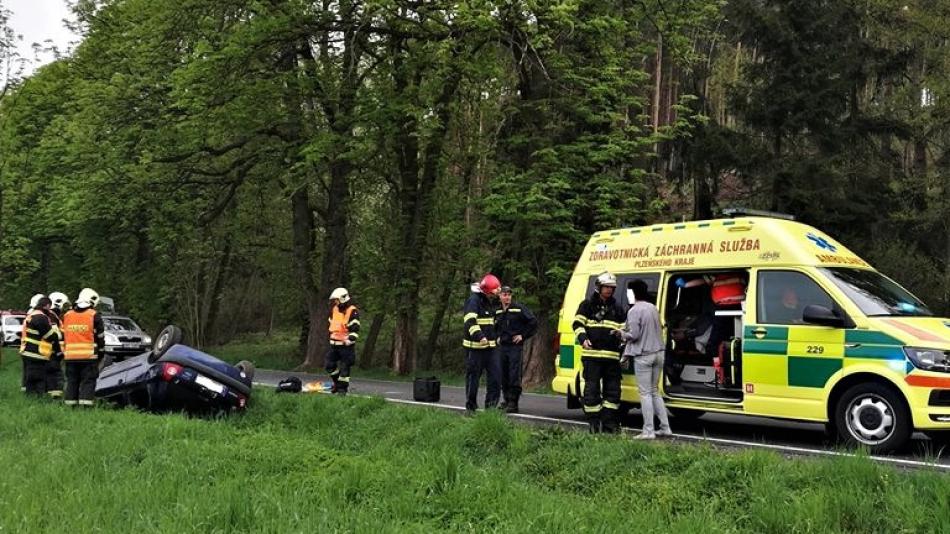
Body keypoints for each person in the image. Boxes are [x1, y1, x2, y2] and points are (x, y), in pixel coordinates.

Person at [572, 272, 626, 433]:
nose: (609, 290)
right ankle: (594, 424)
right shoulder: (587, 305)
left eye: (612, 287)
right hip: (592, 357)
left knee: (613, 392)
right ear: (599, 287)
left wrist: (621, 339)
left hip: (612, 357)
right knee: (591, 391)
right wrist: (583, 339)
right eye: (606, 287)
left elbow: (624, 329)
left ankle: (609, 424)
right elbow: (577, 324)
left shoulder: (617, 308)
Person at [622, 280, 672, 439]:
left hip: (644, 355)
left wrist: (620, 334)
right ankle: (665, 428)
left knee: (645, 394)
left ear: (633, 293)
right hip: (659, 353)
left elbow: (634, 335)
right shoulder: (653, 308)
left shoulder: (634, 311)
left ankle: (648, 430)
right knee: (655, 392)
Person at [675, 272, 746, 358]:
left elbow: (702, 281)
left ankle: (719, 365)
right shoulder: (737, 272)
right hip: (737, 306)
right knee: (725, 337)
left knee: (715, 343)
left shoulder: (718, 271)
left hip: (725, 307)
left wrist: (686, 285)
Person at [494, 286, 538, 414]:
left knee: (514, 374)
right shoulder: (497, 312)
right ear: (500, 296)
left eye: (509, 294)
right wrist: (496, 337)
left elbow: (533, 322)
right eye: (504, 294)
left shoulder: (518, 309)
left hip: (514, 347)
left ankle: (513, 402)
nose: (507, 297)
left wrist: (522, 335)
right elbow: (494, 327)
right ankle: (506, 400)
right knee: (503, 374)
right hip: (503, 347)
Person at [462, 274, 502, 413]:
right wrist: (480, 337)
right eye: (493, 292)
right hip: (475, 349)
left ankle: (490, 409)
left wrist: (497, 337)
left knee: (496, 378)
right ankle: (471, 408)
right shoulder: (474, 301)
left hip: (491, 348)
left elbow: (492, 323)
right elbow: (470, 321)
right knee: (473, 379)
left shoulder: (490, 301)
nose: (495, 295)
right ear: (486, 291)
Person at [62, 288, 105, 407]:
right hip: (88, 356)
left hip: (70, 356)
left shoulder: (67, 315)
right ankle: (86, 406)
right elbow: (100, 337)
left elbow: (64, 335)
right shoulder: (94, 315)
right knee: (88, 381)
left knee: (72, 381)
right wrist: (101, 352)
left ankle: (70, 405)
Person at [19, 296, 61, 396]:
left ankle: (30, 397)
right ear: (46, 305)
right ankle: (37, 398)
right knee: (38, 378)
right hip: (37, 352)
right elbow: (48, 335)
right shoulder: (41, 317)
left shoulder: (32, 314)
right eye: (49, 307)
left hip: (28, 351)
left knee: (30, 377)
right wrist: (56, 334)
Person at [326, 287, 360, 396]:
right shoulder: (334, 309)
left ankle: (342, 390)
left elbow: (355, 328)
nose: (335, 301)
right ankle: (337, 384)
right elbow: (331, 324)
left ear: (343, 299)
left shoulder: (352, 311)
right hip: (334, 345)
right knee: (329, 365)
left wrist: (350, 339)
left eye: (337, 299)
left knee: (345, 368)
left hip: (346, 346)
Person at [45, 291, 70, 399]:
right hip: (53, 351)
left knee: (52, 374)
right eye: (64, 305)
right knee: (56, 375)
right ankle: (55, 397)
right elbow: (56, 334)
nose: (64, 309)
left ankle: (50, 395)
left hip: (52, 351)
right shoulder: (52, 316)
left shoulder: (52, 315)